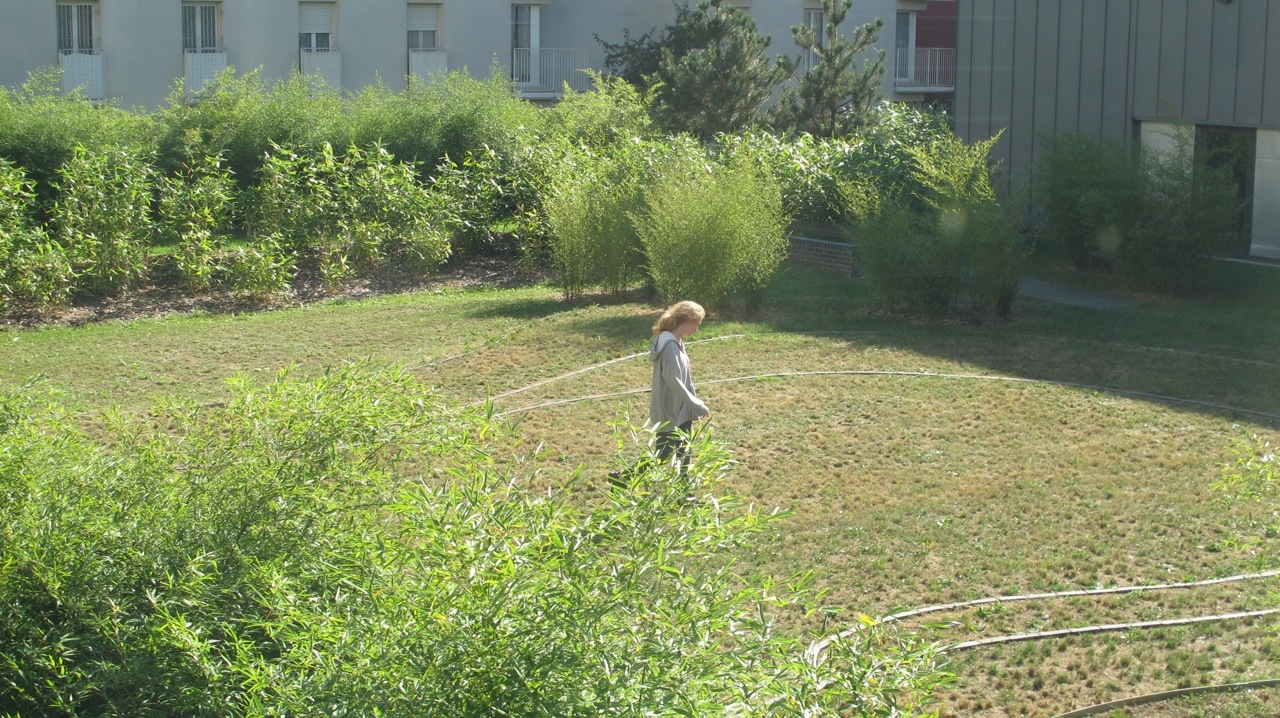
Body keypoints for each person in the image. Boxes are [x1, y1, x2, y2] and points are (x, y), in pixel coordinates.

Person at [648, 300, 710, 468]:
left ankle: (685, 490)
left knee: (684, 450)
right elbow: (673, 380)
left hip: (681, 411)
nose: (697, 328)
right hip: (670, 412)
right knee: (662, 456)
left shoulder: (677, 342)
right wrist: (697, 404)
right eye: (697, 324)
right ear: (688, 321)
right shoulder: (670, 346)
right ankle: (623, 479)